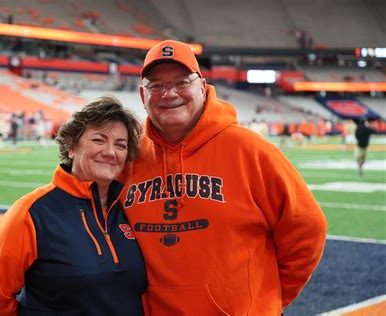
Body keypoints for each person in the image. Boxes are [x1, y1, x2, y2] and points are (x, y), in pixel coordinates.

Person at [121, 40, 327, 315]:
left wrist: (265, 299)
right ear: (141, 95)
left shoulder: (251, 150)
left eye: (182, 82)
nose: (169, 93)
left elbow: (306, 228)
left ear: (203, 87)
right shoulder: (129, 159)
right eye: (155, 86)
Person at [0, 96, 147, 315]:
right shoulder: (32, 212)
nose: (110, 152)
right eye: (98, 140)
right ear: (71, 146)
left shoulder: (128, 208)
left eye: (120, 145)